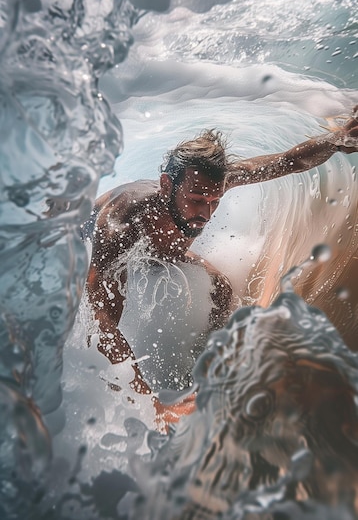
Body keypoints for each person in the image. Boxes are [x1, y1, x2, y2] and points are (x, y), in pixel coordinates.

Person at [83, 109, 358, 425]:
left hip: (162, 251)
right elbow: (102, 323)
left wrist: (337, 140)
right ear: (166, 186)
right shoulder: (122, 223)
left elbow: (287, 162)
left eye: (214, 201)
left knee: (221, 289)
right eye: (197, 199)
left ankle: (205, 366)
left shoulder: (210, 187)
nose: (206, 212)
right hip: (94, 245)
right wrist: (151, 408)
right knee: (103, 312)